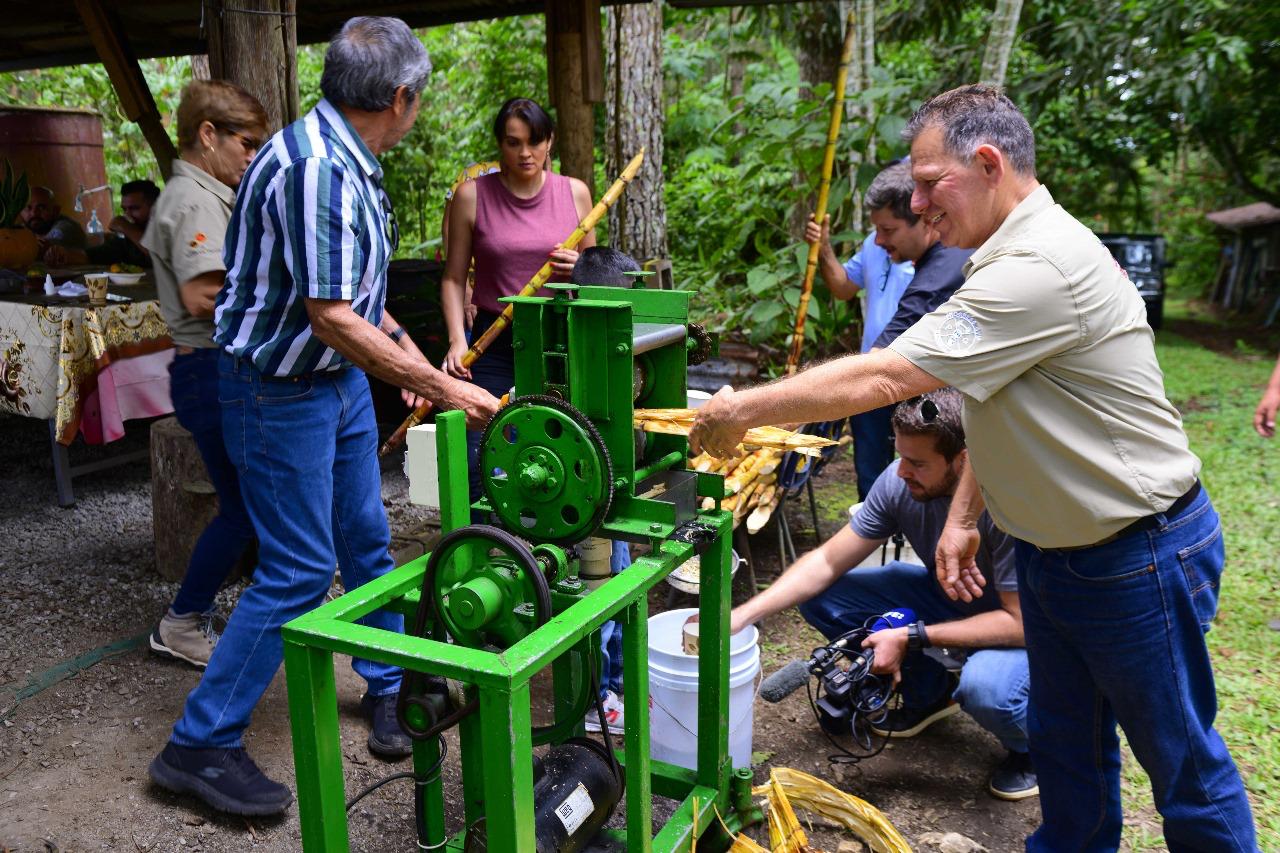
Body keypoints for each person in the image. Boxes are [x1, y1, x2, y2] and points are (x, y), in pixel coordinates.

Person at [689, 84, 1257, 851]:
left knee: (1182, 762)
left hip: (1136, 552)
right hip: (1060, 556)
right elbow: (1009, 405)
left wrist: (739, 411)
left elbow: (888, 376)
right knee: (1067, 749)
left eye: (929, 183)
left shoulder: (1040, 266)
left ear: (988, 163)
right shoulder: (1002, 257)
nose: (919, 205)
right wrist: (961, 518)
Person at [148, 17, 500, 817]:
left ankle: (383, 682)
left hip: (333, 383)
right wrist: (445, 389)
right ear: (402, 99)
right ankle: (198, 742)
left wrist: (408, 353)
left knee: (364, 537)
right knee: (300, 568)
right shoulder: (317, 171)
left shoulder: (344, 151)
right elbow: (332, 313)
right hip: (278, 391)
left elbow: (360, 300)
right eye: (421, 99)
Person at [707, 389, 1034, 799]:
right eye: (900, 457)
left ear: (963, 461)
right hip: (948, 599)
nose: (902, 473)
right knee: (826, 594)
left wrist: (913, 636)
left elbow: (1020, 623)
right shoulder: (899, 482)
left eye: (918, 463)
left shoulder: (1008, 508)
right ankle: (928, 692)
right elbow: (827, 562)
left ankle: (1032, 749)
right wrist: (743, 616)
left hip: (1025, 630)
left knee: (987, 689)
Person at [140, 81, 267, 669]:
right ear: (208, 135)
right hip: (211, 370)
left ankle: (274, 601)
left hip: (212, 369)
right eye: (246, 142)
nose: (251, 155)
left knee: (254, 501)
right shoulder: (192, 200)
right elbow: (202, 295)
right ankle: (183, 621)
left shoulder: (204, 192)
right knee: (243, 508)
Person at [440, 97, 595, 503]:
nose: (526, 153)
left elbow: (596, 280)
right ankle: (489, 545)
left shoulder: (576, 193)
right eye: (513, 143)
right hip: (494, 339)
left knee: (571, 445)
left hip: (562, 339)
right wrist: (458, 339)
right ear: (500, 145)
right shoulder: (471, 196)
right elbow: (454, 279)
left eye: (535, 141)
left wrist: (577, 268)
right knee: (482, 451)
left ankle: (567, 552)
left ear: (550, 142)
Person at [805, 163, 915, 500]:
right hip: (873, 372)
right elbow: (843, 287)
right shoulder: (874, 242)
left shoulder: (936, 255)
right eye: (879, 229)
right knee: (871, 467)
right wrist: (824, 247)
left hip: (916, 376)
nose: (882, 238)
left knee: (924, 464)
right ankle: (876, 533)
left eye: (889, 229)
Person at [568, 246, 641, 733]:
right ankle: (595, 702)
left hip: (614, 496)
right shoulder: (574, 349)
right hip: (585, 506)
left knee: (621, 591)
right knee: (600, 605)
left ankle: (615, 684)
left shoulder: (626, 346)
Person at [45, 179, 159, 269]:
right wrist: (63, 255)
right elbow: (91, 256)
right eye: (125, 209)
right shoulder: (127, 241)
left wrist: (125, 226)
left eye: (134, 208)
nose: (127, 215)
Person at [21, 186, 86, 256]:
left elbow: (42, 248)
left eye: (41, 208)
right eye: (28, 208)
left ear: (56, 211)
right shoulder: (22, 229)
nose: (34, 213)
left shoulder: (67, 227)